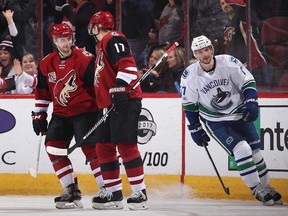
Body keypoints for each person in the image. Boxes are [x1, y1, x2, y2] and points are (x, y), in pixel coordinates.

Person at [180, 35, 283, 206]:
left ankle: (267, 187)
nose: (204, 54)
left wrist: (251, 102)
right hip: (216, 120)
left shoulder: (228, 62)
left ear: (212, 49)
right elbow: (189, 104)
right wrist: (195, 127)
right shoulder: (190, 75)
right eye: (199, 52)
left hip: (239, 113)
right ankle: (256, 188)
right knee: (242, 149)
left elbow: (247, 82)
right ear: (195, 54)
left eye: (206, 49)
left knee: (256, 153)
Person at [31, 23, 104, 209]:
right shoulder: (46, 63)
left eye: (69, 39)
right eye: (62, 40)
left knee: (90, 148)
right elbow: (42, 92)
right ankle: (70, 189)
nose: (66, 43)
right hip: (61, 114)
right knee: (53, 147)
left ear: (73, 39)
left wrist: (104, 106)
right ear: (54, 41)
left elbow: (98, 86)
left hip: (86, 111)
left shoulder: (85, 59)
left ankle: (106, 189)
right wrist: (39, 115)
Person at [88, 11, 148, 210]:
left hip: (125, 100)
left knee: (125, 144)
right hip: (108, 104)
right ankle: (113, 193)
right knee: (103, 146)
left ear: (96, 26)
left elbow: (129, 68)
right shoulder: (101, 45)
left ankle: (140, 192)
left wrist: (119, 88)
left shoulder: (113, 38)